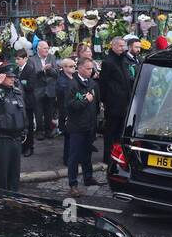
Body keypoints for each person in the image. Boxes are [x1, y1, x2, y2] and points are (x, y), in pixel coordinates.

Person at [64, 58, 101, 195]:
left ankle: (88, 177)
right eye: (88, 68)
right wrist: (85, 101)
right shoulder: (72, 85)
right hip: (77, 126)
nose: (90, 71)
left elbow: (96, 105)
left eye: (92, 68)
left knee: (87, 154)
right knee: (74, 156)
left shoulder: (93, 84)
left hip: (90, 125)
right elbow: (70, 106)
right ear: (79, 68)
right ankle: (73, 184)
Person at [99, 36, 136, 155]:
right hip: (113, 103)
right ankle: (108, 156)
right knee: (110, 131)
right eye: (120, 46)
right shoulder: (108, 62)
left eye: (123, 46)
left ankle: (118, 155)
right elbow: (103, 83)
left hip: (124, 101)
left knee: (121, 131)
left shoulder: (123, 59)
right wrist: (105, 101)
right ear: (113, 46)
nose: (122, 48)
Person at [23, 41, 59, 141]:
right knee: (38, 112)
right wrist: (42, 70)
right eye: (44, 48)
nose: (46, 50)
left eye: (47, 48)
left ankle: (48, 130)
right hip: (38, 89)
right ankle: (39, 131)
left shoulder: (52, 58)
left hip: (50, 89)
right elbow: (31, 75)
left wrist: (49, 69)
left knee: (49, 112)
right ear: (38, 49)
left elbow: (56, 73)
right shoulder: (32, 59)